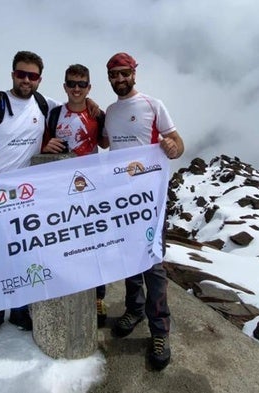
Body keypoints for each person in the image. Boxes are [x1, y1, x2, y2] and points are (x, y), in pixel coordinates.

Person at [103, 52, 184, 371]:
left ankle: (160, 331)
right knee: (127, 259)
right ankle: (134, 309)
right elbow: (108, 146)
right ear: (109, 78)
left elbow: (177, 142)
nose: (120, 79)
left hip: (150, 200)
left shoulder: (153, 105)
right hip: (121, 200)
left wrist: (173, 148)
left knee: (152, 264)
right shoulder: (110, 112)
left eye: (125, 73)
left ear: (134, 74)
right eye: (114, 75)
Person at [41, 64, 110, 327]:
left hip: (91, 188)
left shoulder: (97, 115)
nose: (77, 89)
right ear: (65, 86)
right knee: (64, 241)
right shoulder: (55, 114)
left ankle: (97, 296)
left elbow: (105, 143)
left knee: (95, 242)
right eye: (72, 84)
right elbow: (44, 143)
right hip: (60, 188)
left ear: (89, 87)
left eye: (82, 84)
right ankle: (65, 286)